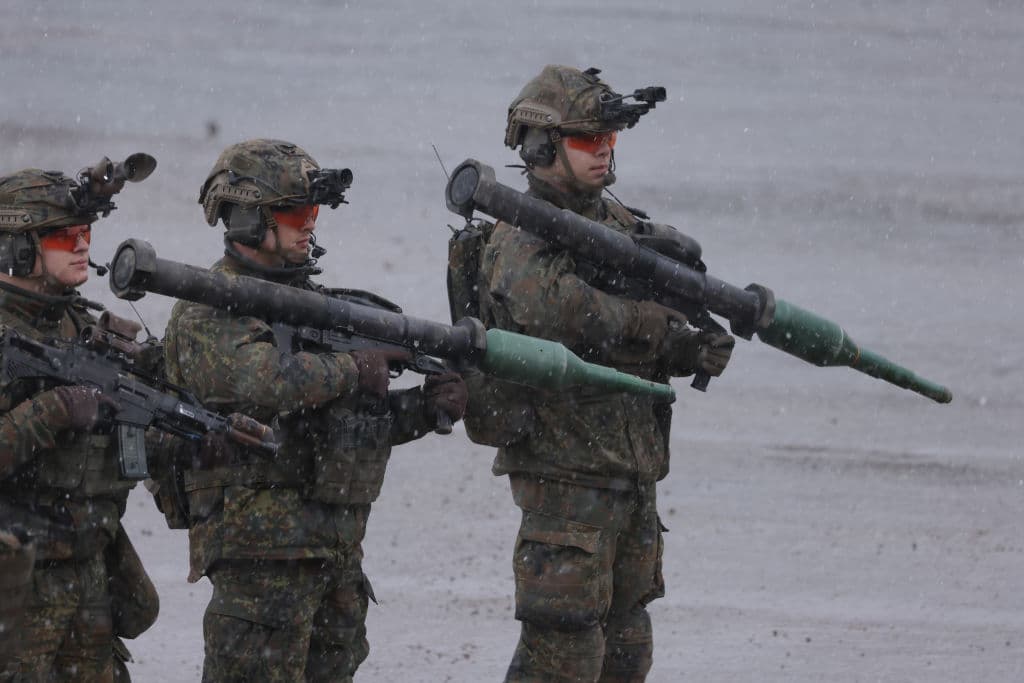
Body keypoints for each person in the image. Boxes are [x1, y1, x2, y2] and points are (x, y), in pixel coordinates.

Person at [162, 138, 468, 682]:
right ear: (248, 218)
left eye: (314, 213)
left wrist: (421, 409)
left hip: (333, 551)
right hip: (260, 557)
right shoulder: (211, 306)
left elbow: (344, 425)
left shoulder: (317, 307)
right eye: (294, 212)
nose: (308, 225)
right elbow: (265, 381)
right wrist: (354, 368)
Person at [473, 65, 735, 681]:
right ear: (542, 146)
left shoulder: (618, 226)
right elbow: (553, 309)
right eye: (589, 140)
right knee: (562, 657)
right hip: (565, 480)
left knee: (626, 651)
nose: (604, 152)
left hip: (629, 475)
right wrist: (652, 324)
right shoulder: (522, 233)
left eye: (609, 140)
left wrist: (687, 349)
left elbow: (632, 328)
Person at [0, 165, 159, 681]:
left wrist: (185, 444)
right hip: (15, 586)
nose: (81, 246)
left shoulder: (82, 327)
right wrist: (54, 410)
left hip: (88, 571)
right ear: (18, 246)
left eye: (85, 232)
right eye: (64, 235)